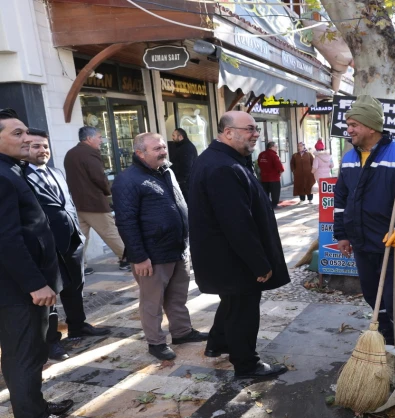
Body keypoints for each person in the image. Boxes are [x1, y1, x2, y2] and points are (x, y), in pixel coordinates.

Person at [0, 109, 88, 418]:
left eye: (27, 133)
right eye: (17, 134)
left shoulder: (13, 170)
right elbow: (6, 238)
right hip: (16, 290)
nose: (27, 139)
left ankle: (34, 407)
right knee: (24, 353)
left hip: (23, 285)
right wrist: (35, 283)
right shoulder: (3, 176)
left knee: (32, 351)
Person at [189, 111, 290, 378]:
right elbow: (237, 223)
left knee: (232, 303)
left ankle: (217, 344)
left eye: (256, 129)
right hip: (233, 258)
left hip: (226, 256)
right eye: (249, 129)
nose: (256, 133)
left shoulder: (224, 159)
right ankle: (247, 365)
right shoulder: (223, 166)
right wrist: (259, 262)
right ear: (228, 132)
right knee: (243, 311)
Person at [334, 95, 395, 356]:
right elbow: (341, 200)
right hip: (363, 242)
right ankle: (386, 338)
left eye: (354, 124)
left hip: (393, 244)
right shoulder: (349, 158)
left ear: (371, 127)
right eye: (348, 124)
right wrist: (342, 234)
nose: (349, 129)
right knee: (372, 295)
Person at [112, 133, 207, 361]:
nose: (163, 151)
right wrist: (138, 256)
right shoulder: (127, 180)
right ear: (140, 153)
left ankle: (182, 332)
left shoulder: (167, 171)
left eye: (163, 147)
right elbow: (126, 222)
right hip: (152, 255)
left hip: (177, 248)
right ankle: (155, 342)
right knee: (152, 302)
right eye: (157, 149)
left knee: (177, 296)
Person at [24, 129, 111, 361]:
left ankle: (78, 325)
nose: (42, 150)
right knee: (50, 297)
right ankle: (51, 341)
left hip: (71, 241)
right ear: (25, 149)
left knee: (75, 288)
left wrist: (78, 236)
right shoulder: (20, 177)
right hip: (46, 249)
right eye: (35, 146)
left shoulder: (56, 172)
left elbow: (67, 203)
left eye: (45, 146)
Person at [64, 126, 129, 272]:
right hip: (93, 202)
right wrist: (108, 191)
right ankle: (126, 258)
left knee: (79, 237)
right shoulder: (90, 153)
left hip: (76, 202)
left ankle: (78, 265)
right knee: (110, 232)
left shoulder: (70, 153)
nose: (101, 140)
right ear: (89, 138)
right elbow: (99, 177)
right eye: (99, 137)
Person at [169, 128, 198, 200]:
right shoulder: (180, 146)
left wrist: (180, 180)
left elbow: (187, 166)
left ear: (180, 137)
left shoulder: (186, 148)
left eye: (174, 135)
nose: (172, 138)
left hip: (185, 183)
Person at [257, 141, 285, 208]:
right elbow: (279, 167)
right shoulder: (274, 155)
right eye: (275, 147)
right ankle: (274, 205)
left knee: (265, 192)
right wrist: (280, 172)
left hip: (264, 177)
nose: (276, 148)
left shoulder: (261, 154)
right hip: (274, 177)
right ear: (271, 147)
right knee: (275, 192)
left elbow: (259, 164)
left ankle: (266, 205)